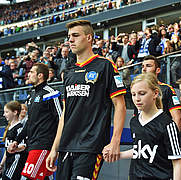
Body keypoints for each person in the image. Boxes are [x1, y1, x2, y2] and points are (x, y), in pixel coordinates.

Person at [45, 20, 126, 180]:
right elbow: (65, 113)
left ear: (89, 38)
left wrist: (115, 140)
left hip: (91, 145)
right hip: (66, 146)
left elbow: (120, 105)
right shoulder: (68, 72)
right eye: (69, 36)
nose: (70, 40)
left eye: (75, 35)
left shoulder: (105, 66)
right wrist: (55, 148)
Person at [118, 73, 181, 180]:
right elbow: (140, 150)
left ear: (155, 93)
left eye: (142, 93)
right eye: (133, 94)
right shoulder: (134, 122)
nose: (137, 99)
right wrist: (118, 155)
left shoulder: (167, 124)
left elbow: (177, 162)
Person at [8, 63, 62, 180]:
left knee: (26, 177)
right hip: (32, 144)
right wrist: (17, 141)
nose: (28, 74)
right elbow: (29, 122)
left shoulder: (51, 93)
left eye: (32, 72)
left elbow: (61, 118)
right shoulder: (31, 95)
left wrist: (56, 147)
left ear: (40, 75)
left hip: (44, 144)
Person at [141, 55, 181, 130]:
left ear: (158, 70)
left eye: (148, 66)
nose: (144, 69)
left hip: (162, 136)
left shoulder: (166, 89)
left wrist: (174, 139)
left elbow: (177, 118)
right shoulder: (137, 90)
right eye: (142, 66)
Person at [0, 101, 27, 180]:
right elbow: (7, 149)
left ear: (15, 112)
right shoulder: (9, 128)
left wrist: (15, 149)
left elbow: (23, 146)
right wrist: (2, 164)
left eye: (7, 112)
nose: (4, 114)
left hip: (17, 160)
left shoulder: (19, 128)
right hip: (9, 161)